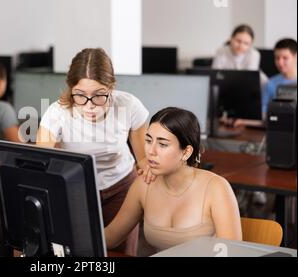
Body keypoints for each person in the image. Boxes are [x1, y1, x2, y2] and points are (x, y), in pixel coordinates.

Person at [36, 48, 149, 256]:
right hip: (78, 191)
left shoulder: (129, 105)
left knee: (121, 253)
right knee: (81, 252)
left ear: (111, 87)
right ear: (71, 89)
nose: (89, 105)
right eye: (80, 95)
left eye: (99, 96)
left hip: (122, 187)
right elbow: (40, 166)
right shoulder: (57, 112)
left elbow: (143, 161)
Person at [105, 107, 242, 255]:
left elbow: (232, 253)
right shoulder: (143, 185)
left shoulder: (216, 188)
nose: (151, 151)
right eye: (148, 140)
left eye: (162, 144)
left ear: (186, 152)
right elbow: (111, 237)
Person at [262, 38, 297, 117]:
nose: (280, 63)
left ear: (295, 57)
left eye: (285, 58)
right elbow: (264, 112)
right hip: (277, 125)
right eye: (277, 58)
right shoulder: (270, 83)